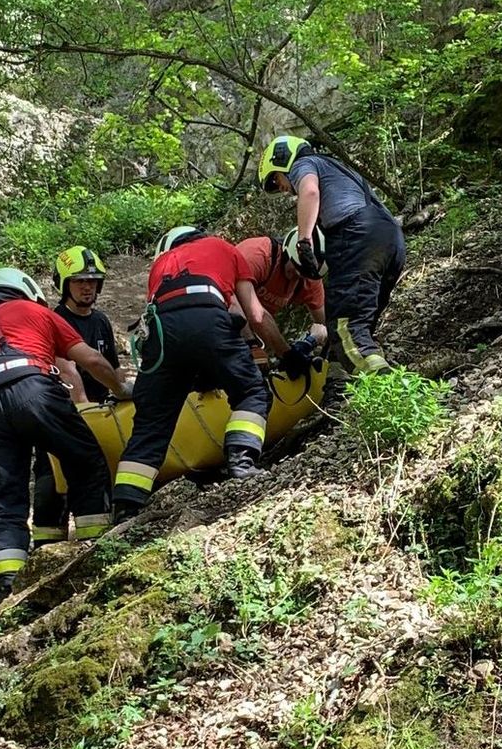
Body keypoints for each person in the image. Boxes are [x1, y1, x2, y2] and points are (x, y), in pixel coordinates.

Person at [0, 267, 132, 605]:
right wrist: (121, 389)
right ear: (27, 292)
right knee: (86, 460)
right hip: (34, 390)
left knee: (2, 499)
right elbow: (89, 359)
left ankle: (7, 585)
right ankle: (97, 554)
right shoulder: (37, 312)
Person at [112, 226, 271, 522]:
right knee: (251, 391)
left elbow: (174, 321)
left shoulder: (161, 264)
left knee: (150, 423)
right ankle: (242, 463)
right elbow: (253, 313)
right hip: (207, 317)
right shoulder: (223, 247)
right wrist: (279, 353)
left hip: (160, 334)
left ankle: (126, 504)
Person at [258, 136, 405, 375]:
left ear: (282, 159)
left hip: (357, 235)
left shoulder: (304, 164)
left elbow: (310, 192)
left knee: (345, 326)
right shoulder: (335, 168)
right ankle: (339, 385)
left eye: (276, 178)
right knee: (359, 325)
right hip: (390, 238)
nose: (282, 188)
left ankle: (386, 390)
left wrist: (304, 239)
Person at [234, 227, 329, 378]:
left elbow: (325, 320)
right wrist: (287, 354)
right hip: (223, 311)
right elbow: (254, 314)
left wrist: (316, 340)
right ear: (287, 253)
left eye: (303, 275)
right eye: (295, 270)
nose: (296, 277)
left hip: (252, 330)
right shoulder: (257, 254)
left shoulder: (308, 277)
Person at [51, 245, 121, 404]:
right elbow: (64, 371)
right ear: (65, 284)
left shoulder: (101, 321)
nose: (87, 287)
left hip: (103, 406)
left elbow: (115, 368)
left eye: (92, 280)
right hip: (71, 408)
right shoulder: (56, 320)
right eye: (79, 281)